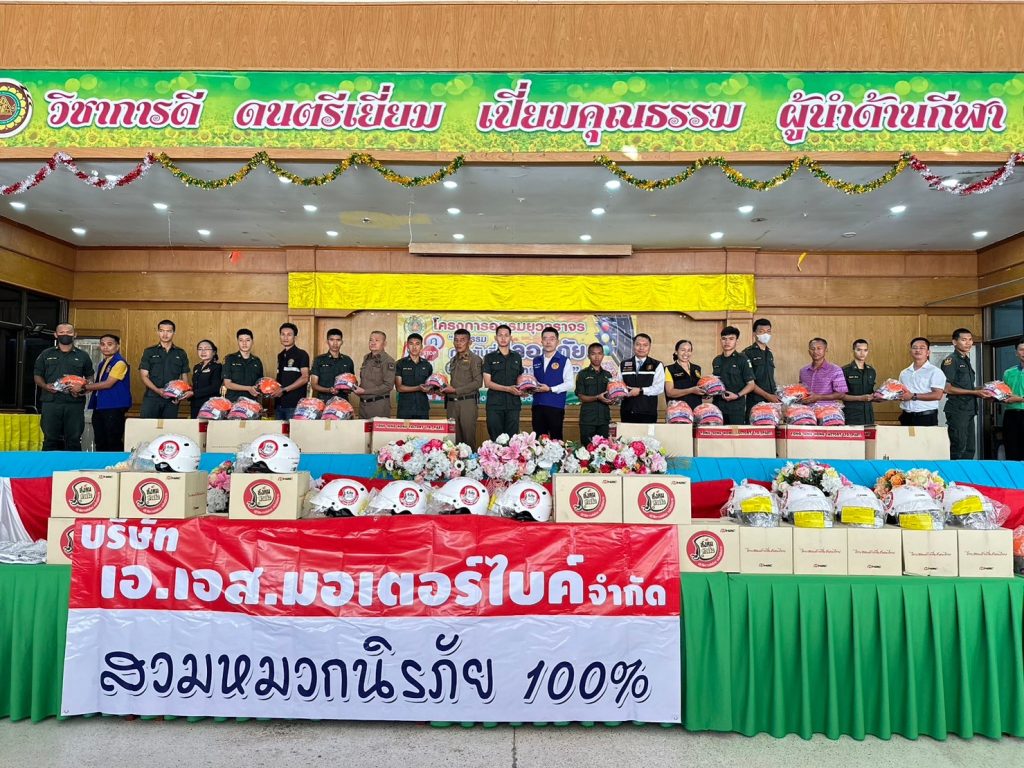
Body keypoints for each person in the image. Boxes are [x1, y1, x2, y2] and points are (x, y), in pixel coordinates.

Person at [32, 323, 94, 451]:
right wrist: (45, 385)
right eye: (61, 332)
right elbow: (37, 375)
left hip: (74, 403)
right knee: (50, 439)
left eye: (69, 332)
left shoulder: (83, 356)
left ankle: (74, 464)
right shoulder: (46, 354)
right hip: (51, 402)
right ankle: (48, 464)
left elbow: (90, 378)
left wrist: (82, 388)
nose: (65, 334)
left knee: (74, 440)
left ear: (74, 334)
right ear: (56, 335)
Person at [942, 328, 992, 460]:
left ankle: (966, 474)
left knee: (970, 449)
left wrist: (987, 389)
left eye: (970, 340)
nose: (968, 343)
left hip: (969, 409)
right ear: (954, 342)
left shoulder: (965, 359)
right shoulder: (951, 360)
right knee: (959, 447)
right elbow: (947, 388)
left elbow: (966, 387)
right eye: (964, 340)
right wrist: (975, 392)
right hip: (957, 410)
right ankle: (954, 473)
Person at [138, 319, 190, 418]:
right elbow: (144, 376)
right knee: (148, 425)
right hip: (151, 397)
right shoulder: (149, 351)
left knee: (169, 426)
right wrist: (158, 390)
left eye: (169, 331)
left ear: (174, 332)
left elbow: (184, 377)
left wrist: (180, 394)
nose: (165, 334)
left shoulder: (181, 353)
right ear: (158, 332)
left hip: (172, 398)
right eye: (162, 331)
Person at [88, 333, 131, 450]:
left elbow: (108, 384)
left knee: (113, 441)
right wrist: (85, 388)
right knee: (100, 440)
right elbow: (98, 384)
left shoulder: (119, 362)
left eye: (109, 344)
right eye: (102, 344)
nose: (105, 347)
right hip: (100, 405)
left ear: (117, 346)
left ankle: (116, 462)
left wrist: (85, 387)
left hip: (114, 405)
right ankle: (101, 462)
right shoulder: (103, 363)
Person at [443, 328, 483, 449]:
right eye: (456, 340)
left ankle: (470, 462)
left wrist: (455, 390)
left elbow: (478, 382)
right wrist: (442, 389)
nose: (458, 343)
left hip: (467, 403)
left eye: (462, 340)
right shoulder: (453, 360)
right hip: (452, 404)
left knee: (468, 441)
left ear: (469, 342)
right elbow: (454, 383)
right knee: (453, 442)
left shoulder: (475, 359)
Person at [530, 326, 573, 440]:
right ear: (541, 341)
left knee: (556, 440)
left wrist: (550, 389)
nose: (548, 342)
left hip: (555, 407)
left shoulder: (564, 360)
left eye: (552, 339)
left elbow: (570, 384)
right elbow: (534, 381)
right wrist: (529, 388)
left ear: (557, 342)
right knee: (538, 441)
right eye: (545, 338)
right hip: (537, 406)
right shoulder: (536, 360)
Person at [483, 324, 524, 439]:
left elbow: (520, 379)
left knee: (512, 440)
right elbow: (487, 383)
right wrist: (508, 389)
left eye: (506, 335)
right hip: (495, 405)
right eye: (500, 335)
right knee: (496, 440)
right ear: (495, 338)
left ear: (511, 338)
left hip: (513, 405)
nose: (503, 338)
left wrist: (524, 390)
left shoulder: (517, 357)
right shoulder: (489, 357)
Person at [894, 337, 946, 426]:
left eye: (922, 348)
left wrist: (913, 396)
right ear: (910, 351)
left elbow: (937, 395)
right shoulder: (904, 373)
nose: (918, 350)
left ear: (928, 352)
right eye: (915, 347)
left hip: (926, 417)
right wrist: (891, 394)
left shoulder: (935, 371)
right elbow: (902, 393)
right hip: (906, 416)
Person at [711, 326, 754, 425]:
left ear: (736, 341)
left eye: (731, 339)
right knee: (718, 434)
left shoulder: (743, 359)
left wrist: (737, 395)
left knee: (735, 435)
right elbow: (716, 382)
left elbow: (751, 384)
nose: (727, 342)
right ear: (720, 341)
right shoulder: (716, 360)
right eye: (724, 339)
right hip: (717, 407)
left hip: (736, 408)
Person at [620, 333, 665, 424]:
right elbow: (619, 385)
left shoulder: (657, 365)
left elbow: (659, 388)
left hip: (648, 413)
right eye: (638, 344)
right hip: (627, 412)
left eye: (645, 345)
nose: (641, 348)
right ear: (633, 346)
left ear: (649, 347)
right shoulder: (623, 364)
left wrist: (641, 390)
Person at [575, 342, 613, 445]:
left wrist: (613, 399)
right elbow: (581, 397)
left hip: (604, 420)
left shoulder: (608, 375)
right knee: (587, 450)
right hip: (588, 420)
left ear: (603, 355)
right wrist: (597, 397)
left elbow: (610, 395)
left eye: (599, 353)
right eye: (593, 354)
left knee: (604, 450)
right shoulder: (582, 374)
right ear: (588, 356)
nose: (597, 357)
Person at [742, 318, 779, 419]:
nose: (765, 334)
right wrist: (767, 396)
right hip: (755, 401)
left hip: (772, 401)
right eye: (761, 331)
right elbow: (749, 382)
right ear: (754, 333)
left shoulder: (769, 353)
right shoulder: (747, 353)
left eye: (768, 331)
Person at [354, 330, 396, 419]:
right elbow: (366, 381)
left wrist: (364, 391)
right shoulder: (366, 358)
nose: (373, 343)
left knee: (378, 429)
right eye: (371, 340)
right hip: (363, 406)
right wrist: (355, 387)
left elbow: (388, 386)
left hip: (378, 406)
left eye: (377, 340)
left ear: (384, 343)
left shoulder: (388, 361)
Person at [275, 322, 310, 421]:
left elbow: (305, 378)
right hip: (279, 404)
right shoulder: (280, 355)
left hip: (294, 405)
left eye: (289, 334)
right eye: (283, 334)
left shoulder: (302, 354)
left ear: (295, 337)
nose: (285, 337)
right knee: (279, 431)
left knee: (293, 431)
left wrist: (284, 390)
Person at [310, 328, 354, 403]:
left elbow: (352, 382)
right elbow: (314, 385)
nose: (335, 343)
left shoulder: (347, 360)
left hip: (343, 402)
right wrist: (328, 390)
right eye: (332, 340)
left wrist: (349, 388)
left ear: (342, 342)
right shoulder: (319, 360)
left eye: (338, 340)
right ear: (327, 341)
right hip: (323, 401)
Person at [395, 333, 433, 419]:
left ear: (421, 346)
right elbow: (399, 388)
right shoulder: (400, 364)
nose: (414, 347)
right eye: (411, 344)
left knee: (423, 428)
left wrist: (433, 389)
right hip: (405, 409)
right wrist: (418, 388)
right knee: (404, 429)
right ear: (407, 346)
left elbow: (430, 386)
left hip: (422, 408)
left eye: (417, 344)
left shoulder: (427, 365)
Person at [799, 337, 848, 404]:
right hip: (805, 408)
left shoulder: (835, 370)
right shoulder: (803, 371)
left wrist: (818, 397)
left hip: (827, 408)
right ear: (809, 351)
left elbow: (841, 394)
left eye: (819, 348)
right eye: (812, 349)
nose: (815, 351)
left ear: (826, 350)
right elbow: (800, 391)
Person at [842, 338, 877, 426]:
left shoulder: (871, 371)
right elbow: (840, 395)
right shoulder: (845, 370)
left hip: (868, 415)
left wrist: (881, 396)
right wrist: (861, 398)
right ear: (853, 351)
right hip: (851, 415)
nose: (862, 353)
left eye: (865, 350)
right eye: (859, 350)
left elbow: (871, 393)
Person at [222, 328, 264, 401]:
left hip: (251, 402)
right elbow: (227, 384)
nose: (244, 343)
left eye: (247, 340)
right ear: (237, 342)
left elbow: (260, 382)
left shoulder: (257, 361)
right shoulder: (230, 359)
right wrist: (248, 388)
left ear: (252, 342)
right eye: (241, 340)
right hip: (233, 402)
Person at [664, 339, 704, 410]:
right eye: (683, 350)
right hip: (678, 412)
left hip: (696, 410)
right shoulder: (669, 369)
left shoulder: (697, 368)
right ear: (676, 352)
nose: (686, 353)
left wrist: (706, 393)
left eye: (689, 350)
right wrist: (691, 390)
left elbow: (698, 389)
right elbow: (669, 392)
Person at [1001, 337, 1024, 461]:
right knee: (1011, 451)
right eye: (1021, 349)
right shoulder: (1008, 372)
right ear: (1016, 352)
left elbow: (1016, 398)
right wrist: (995, 396)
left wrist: (1020, 399)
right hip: (1011, 415)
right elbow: (1004, 394)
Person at [190, 340, 223, 418]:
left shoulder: (217, 367)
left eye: (207, 349)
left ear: (214, 352)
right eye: (200, 349)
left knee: (207, 426)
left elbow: (215, 387)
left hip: (209, 406)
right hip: (195, 404)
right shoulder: (197, 367)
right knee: (195, 425)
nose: (203, 351)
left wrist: (193, 393)